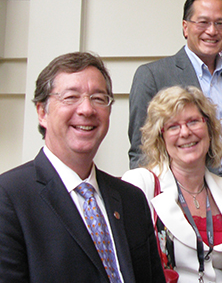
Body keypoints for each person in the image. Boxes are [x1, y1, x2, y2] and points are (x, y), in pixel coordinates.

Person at [0, 52, 165, 282]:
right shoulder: (9, 197)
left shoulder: (132, 200)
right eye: (71, 97)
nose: (87, 109)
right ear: (42, 112)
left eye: (98, 98)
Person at [128, 0, 222, 182]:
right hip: (178, 189)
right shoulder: (153, 76)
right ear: (185, 27)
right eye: (203, 22)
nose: (212, 31)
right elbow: (141, 151)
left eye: (220, 23)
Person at [123, 86, 222, 282]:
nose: (185, 132)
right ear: (161, 138)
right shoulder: (141, 185)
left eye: (193, 121)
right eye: (173, 126)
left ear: (209, 128)